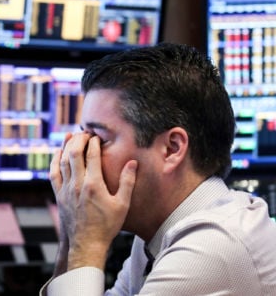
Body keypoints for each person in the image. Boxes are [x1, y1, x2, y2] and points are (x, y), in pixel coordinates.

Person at [41, 43, 276, 295]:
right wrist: (73, 231)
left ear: (172, 148)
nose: (79, 153)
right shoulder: (160, 234)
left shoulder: (212, 249)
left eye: (98, 138)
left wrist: (87, 242)